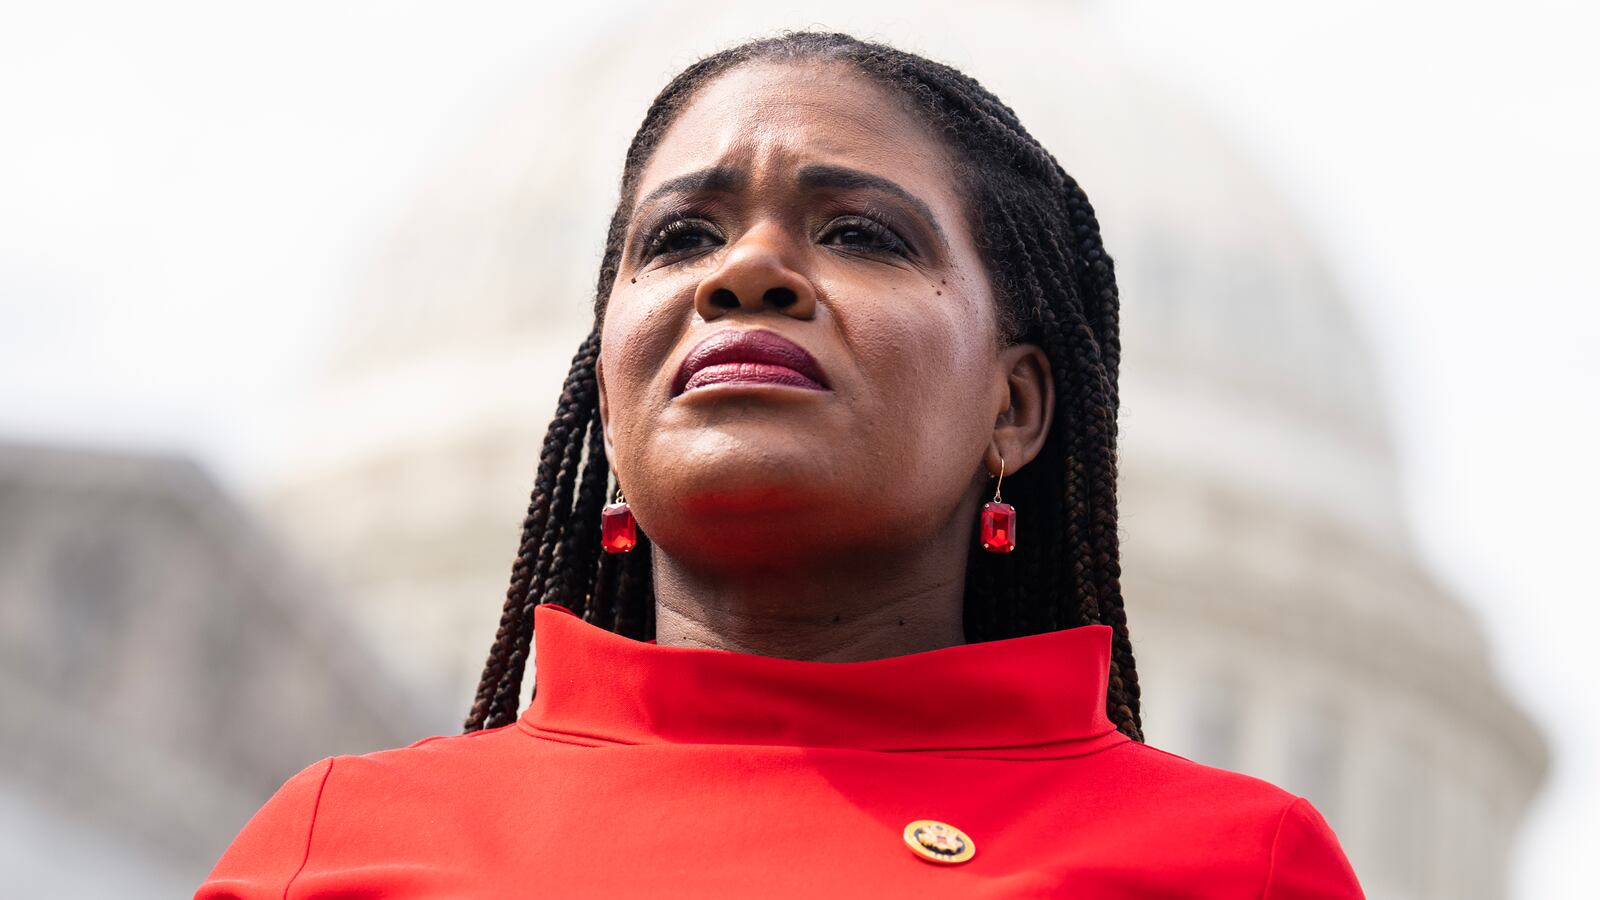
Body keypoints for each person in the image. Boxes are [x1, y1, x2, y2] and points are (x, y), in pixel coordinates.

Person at [197, 30, 1365, 898]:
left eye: (860, 232)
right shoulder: (339, 848)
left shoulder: (1228, 867)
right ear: (606, 392)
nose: (744, 272)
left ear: (1014, 407)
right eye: (680, 237)